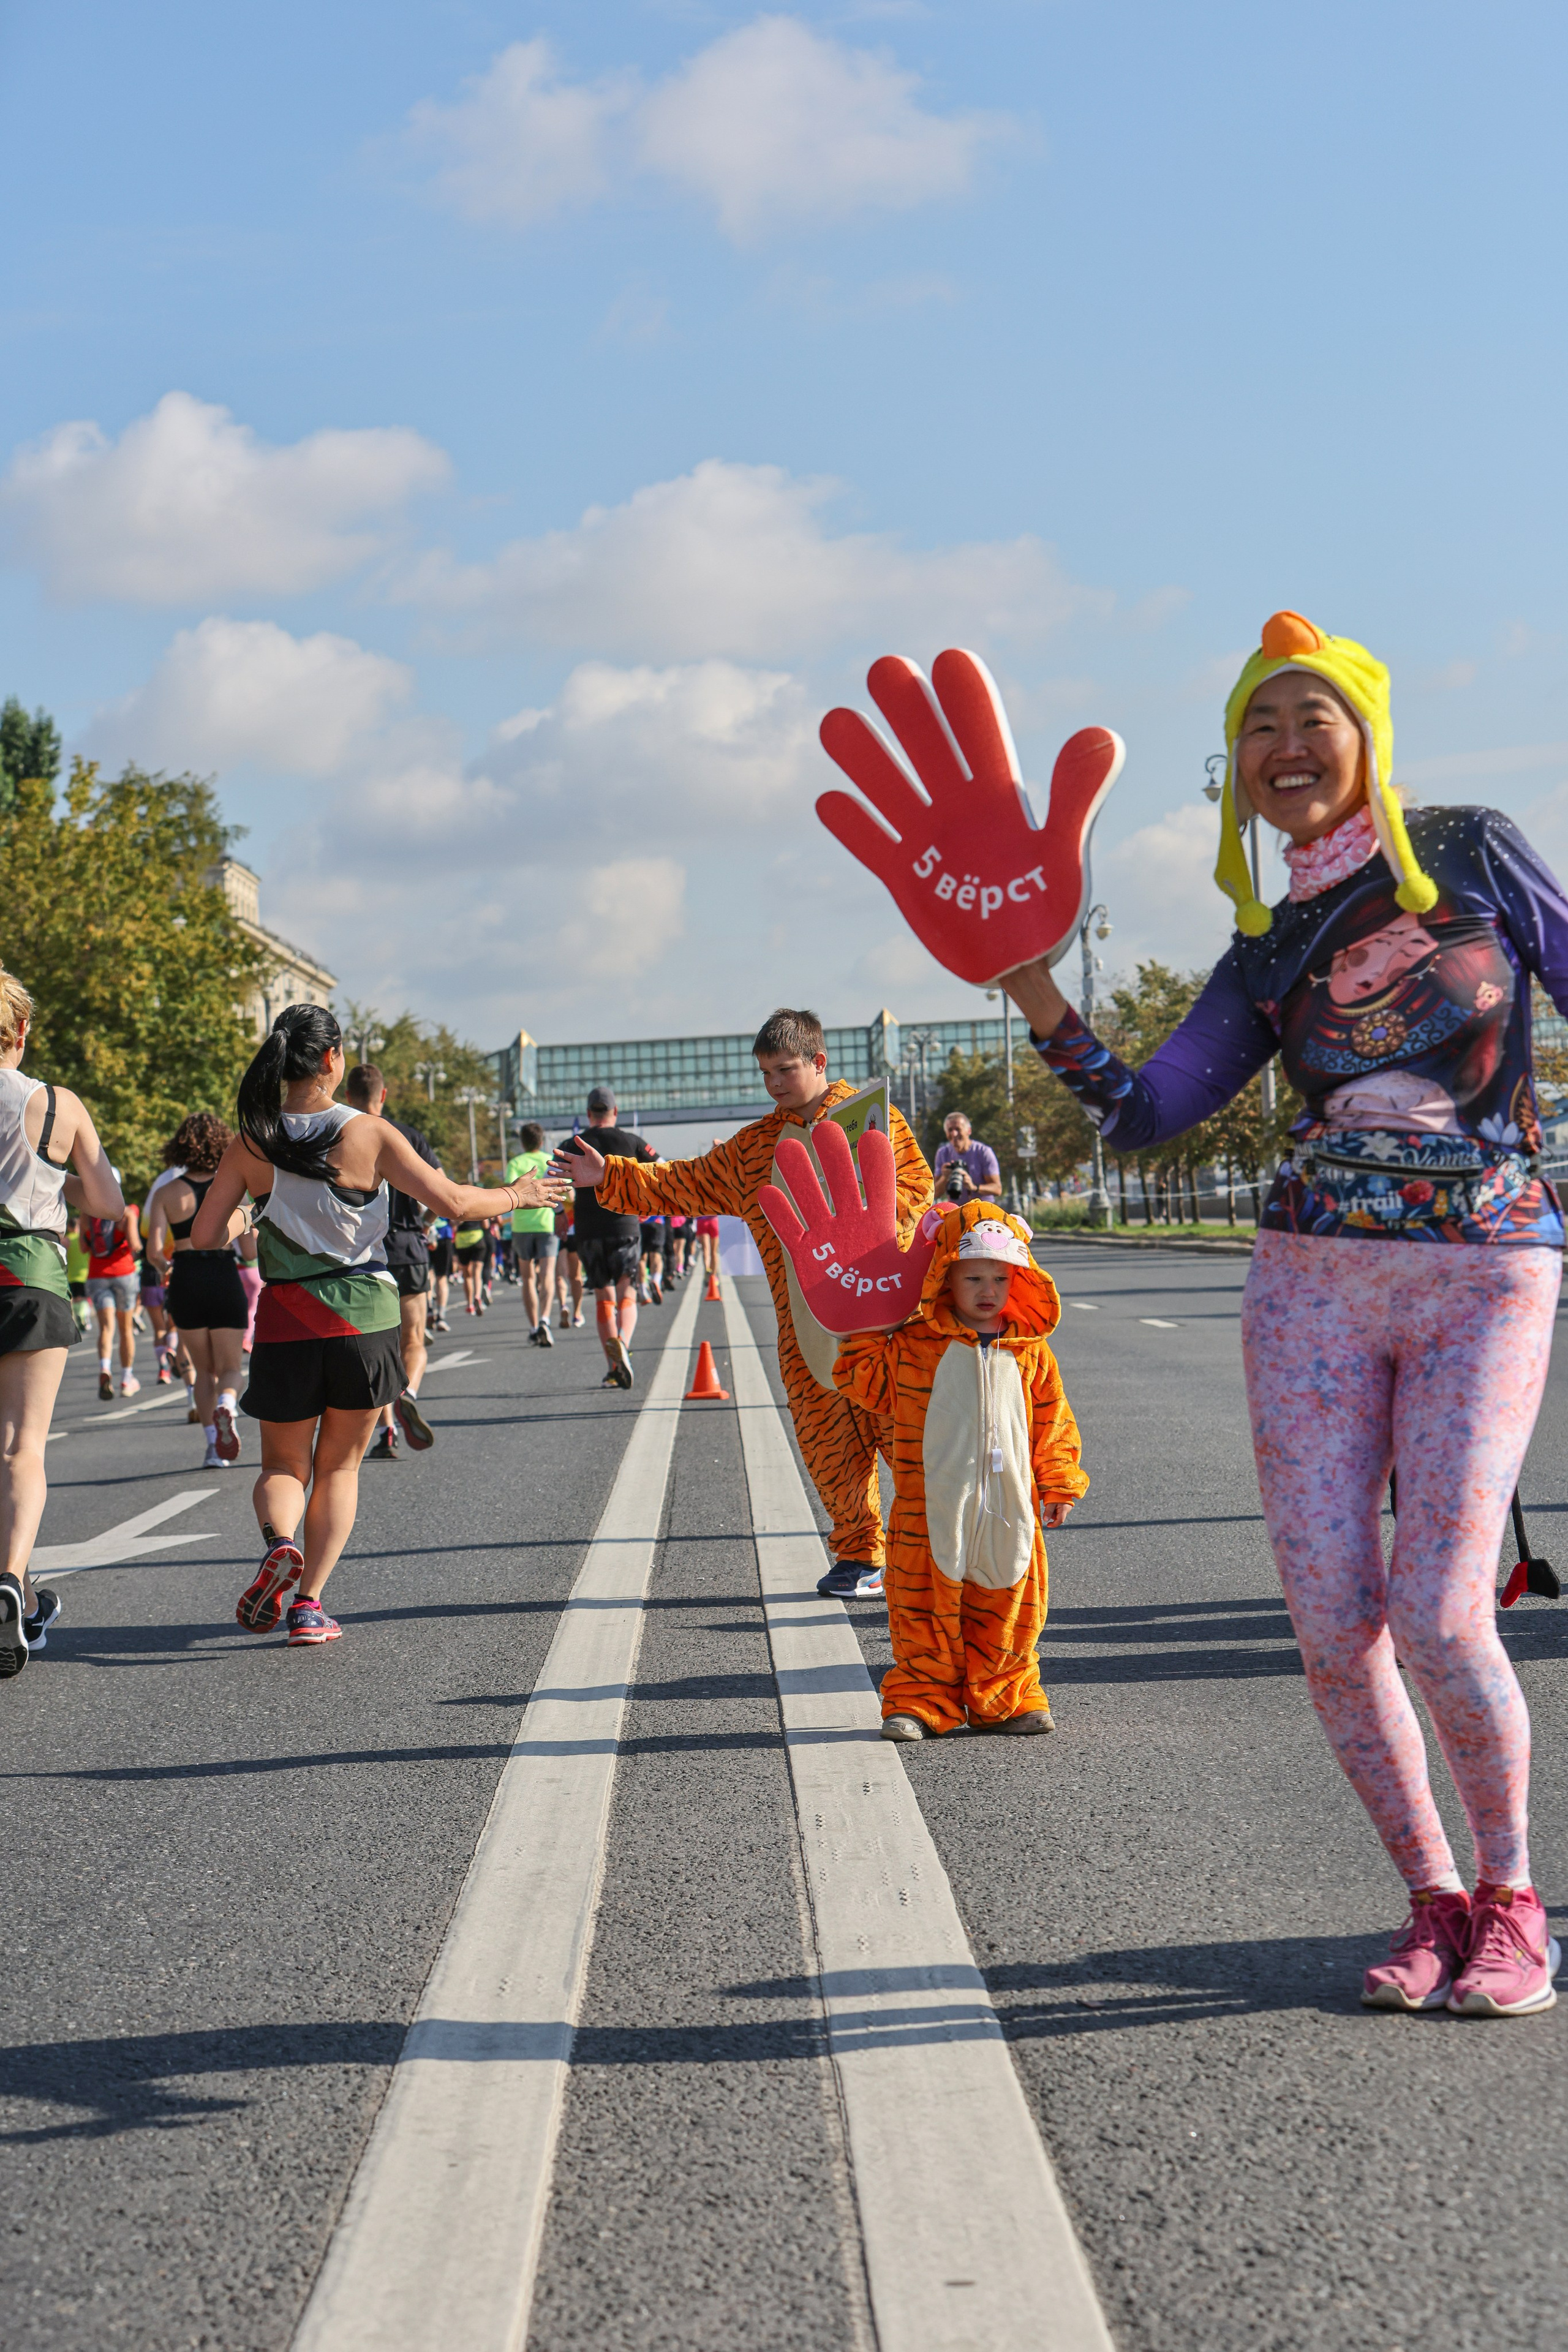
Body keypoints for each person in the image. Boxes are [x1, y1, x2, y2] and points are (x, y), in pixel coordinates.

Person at [994, 608, 1568, 2016]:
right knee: (1330, 1624)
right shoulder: (1267, 940)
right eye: (1258, 722)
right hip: (1306, 1286)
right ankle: (1430, 1899)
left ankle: (1511, 1903)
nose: (1285, 743)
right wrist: (1030, 990)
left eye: (1312, 714)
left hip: (1482, 1268)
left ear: (1366, 735)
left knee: (1439, 1610)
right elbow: (1151, 1109)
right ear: (1235, 769)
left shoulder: (1474, 852)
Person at [195, 1004, 564, 1648]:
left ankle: (279, 1544)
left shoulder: (252, 1139)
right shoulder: (370, 1133)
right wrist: (520, 1195)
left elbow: (204, 1235)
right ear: (333, 1059)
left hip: (285, 1317)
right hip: (365, 1319)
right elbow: (452, 1201)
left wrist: (255, 1213)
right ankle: (308, 1606)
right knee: (339, 1468)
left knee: (284, 1465)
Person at [559, 1011, 932, 1590]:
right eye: (766, 1073)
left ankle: (930, 1556)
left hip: (882, 1317)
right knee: (827, 1444)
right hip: (805, 1323)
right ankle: (860, 1553)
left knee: (909, 1443)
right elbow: (684, 1181)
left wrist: (863, 1211)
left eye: (785, 1070)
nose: (775, 1084)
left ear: (818, 1063)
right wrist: (611, 1175)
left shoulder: (874, 1119)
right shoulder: (756, 1148)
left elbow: (916, 1189)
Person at [828, 1202, 1087, 1740]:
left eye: (1000, 1276)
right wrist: (868, 1323)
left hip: (1011, 1508)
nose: (988, 1289)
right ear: (945, 1276)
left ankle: (1007, 1696)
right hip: (930, 1511)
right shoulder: (916, 1345)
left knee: (1012, 1604)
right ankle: (921, 1700)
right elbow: (861, 1381)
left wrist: (1058, 1481)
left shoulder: (1031, 1350)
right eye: (973, 1276)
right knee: (922, 1609)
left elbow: (1053, 1421)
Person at [0, 964, 124, 1679]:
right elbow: (106, 1202)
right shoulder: (56, 1104)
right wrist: (53, 1180)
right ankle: (12, 1582)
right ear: (23, 1031)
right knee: (22, 1447)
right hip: (30, 1275)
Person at [344, 1063, 440, 1464]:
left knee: (382, 1351)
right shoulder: (409, 1135)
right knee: (414, 1341)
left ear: (348, 1098)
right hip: (409, 1248)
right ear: (383, 1096)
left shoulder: (343, 1134)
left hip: (367, 1255)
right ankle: (410, 1394)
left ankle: (388, 1431)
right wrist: (423, 1225)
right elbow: (439, 1189)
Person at [146, 1112, 250, 1468]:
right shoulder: (234, 1188)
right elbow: (249, 1252)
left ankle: (211, 1447)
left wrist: (167, 1268)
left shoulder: (166, 1193)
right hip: (223, 1274)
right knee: (231, 1367)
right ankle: (228, 1404)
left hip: (186, 1278)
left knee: (202, 1370)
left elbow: (153, 1252)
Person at [562, 1088, 657, 1388]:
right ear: (615, 1113)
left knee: (604, 1297)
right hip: (624, 1226)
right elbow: (660, 1170)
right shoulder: (632, 1141)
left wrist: (562, 1217)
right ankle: (623, 1344)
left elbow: (558, 1184)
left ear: (589, 1114)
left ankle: (614, 1368)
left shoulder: (571, 1144)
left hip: (588, 1230)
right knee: (627, 1292)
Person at [506, 1121, 559, 1347]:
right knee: (547, 1275)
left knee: (528, 1278)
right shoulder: (550, 1161)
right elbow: (565, 1189)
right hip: (547, 1225)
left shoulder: (516, 1163)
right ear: (541, 1140)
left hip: (522, 1226)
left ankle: (533, 1327)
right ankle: (546, 1320)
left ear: (522, 1142)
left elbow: (509, 1190)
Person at [932, 1111, 1002, 1205]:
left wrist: (974, 1187)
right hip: (957, 1210)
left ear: (969, 1131)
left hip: (984, 1209)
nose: (954, 1134)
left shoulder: (983, 1152)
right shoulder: (943, 1153)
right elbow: (935, 1194)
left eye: (958, 1129)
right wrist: (945, 1177)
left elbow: (997, 1189)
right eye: (950, 1130)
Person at [453, 1207, 487, 1316]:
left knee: (467, 1274)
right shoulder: (477, 1203)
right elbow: (486, 1225)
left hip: (462, 1240)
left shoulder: (458, 1204)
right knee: (477, 1272)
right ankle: (477, 1295)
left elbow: (454, 1224)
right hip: (477, 1237)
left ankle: (470, 1305)